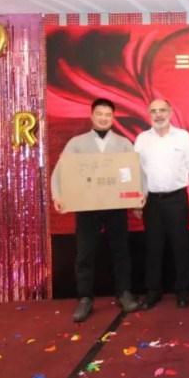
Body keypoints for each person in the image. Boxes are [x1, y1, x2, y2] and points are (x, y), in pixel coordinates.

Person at [50, 98, 139, 322]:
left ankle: (124, 293)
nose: (103, 118)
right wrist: (57, 194)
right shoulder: (77, 143)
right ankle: (85, 298)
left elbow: (136, 171)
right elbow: (61, 171)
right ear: (92, 116)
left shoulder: (123, 143)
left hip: (116, 207)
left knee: (121, 251)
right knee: (85, 253)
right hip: (87, 207)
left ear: (113, 118)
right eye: (100, 114)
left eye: (108, 115)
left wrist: (140, 194)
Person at [133, 99, 189, 310]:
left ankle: (183, 291)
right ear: (149, 114)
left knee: (181, 246)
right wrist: (135, 200)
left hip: (177, 199)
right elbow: (135, 171)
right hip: (151, 201)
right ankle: (153, 291)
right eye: (154, 111)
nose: (158, 114)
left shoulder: (183, 137)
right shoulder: (142, 139)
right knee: (153, 247)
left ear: (170, 112)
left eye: (162, 110)